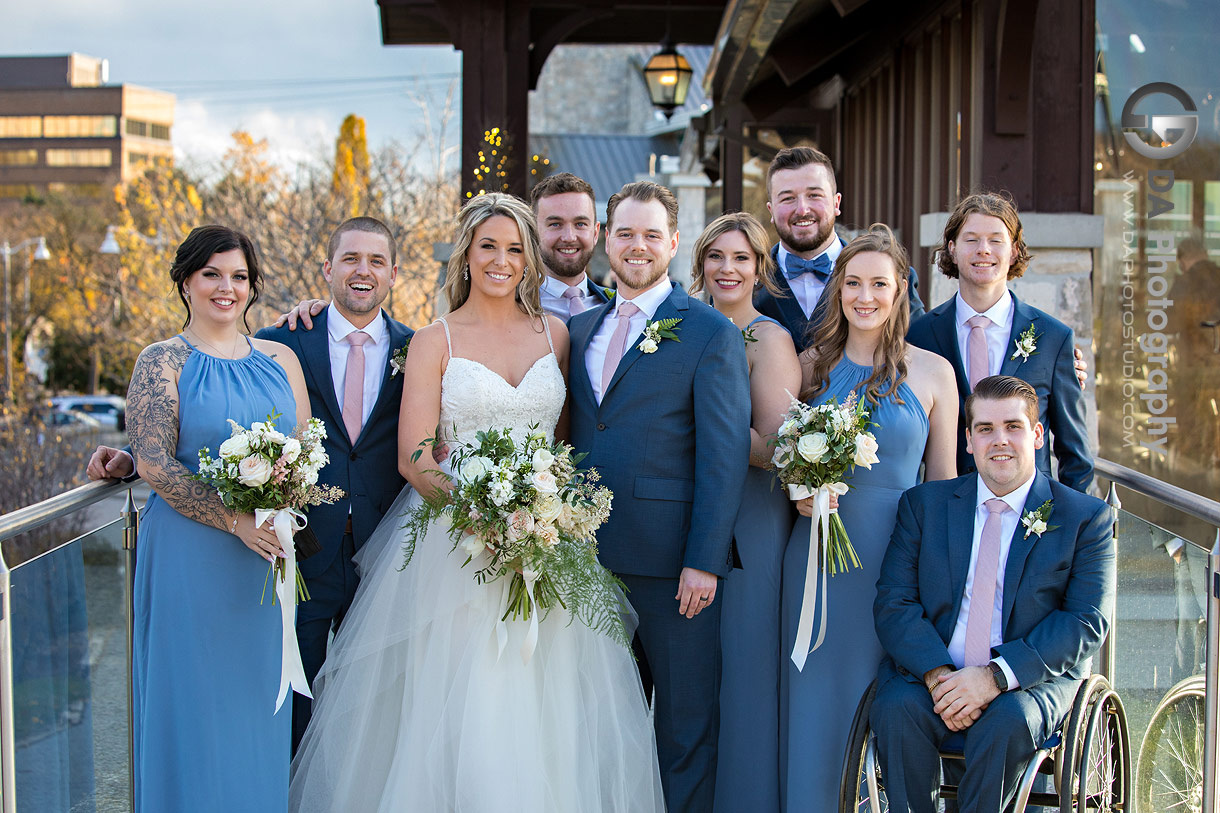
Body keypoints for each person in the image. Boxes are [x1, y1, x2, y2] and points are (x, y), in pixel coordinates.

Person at [289, 193, 664, 812]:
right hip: (456, 546)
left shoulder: (559, 335)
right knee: (461, 700)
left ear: (530, 260)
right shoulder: (435, 340)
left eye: (516, 248)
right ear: (466, 253)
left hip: (548, 544)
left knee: (550, 704)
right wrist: (482, 518)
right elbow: (414, 455)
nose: (502, 259)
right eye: (488, 245)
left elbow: (565, 445)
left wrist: (545, 515)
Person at [87, 217, 414, 750]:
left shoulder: (417, 348)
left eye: (376, 261)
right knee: (284, 704)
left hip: (382, 552)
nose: (363, 271)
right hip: (295, 552)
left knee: (374, 705)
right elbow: (221, 415)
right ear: (327, 269)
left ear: (394, 274)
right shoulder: (282, 341)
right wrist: (132, 457)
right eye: (350, 259)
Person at [567, 181, 752, 811]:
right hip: (582, 561)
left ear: (673, 244)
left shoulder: (709, 334)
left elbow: (724, 458)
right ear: (604, 241)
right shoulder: (582, 327)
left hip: (674, 569)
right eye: (624, 233)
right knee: (599, 725)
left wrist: (703, 559)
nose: (637, 246)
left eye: (651, 235)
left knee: (683, 728)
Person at [126, 225, 311, 811]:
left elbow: (304, 450)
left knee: (255, 708)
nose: (226, 288)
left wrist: (285, 505)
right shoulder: (161, 362)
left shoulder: (279, 358)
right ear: (186, 281)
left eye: (238, 276)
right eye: (211, 274)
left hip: (263, 562)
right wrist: (234, 521)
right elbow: (153, 463)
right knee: (192, 704)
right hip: (190, 557)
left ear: (253, 286)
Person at [870, 375, 1115, 813]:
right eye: (985, 429)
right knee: (894, 707)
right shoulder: (924, 506)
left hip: (1029, 682)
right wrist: (940, 678)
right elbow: (894, 602)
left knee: (1007, 720)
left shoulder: (1085, 519)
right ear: (968, 440)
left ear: (1038, 435)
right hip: (935, 676)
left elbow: (1085, 621)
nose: (999, 440)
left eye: (1013, 427)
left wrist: (993, 678)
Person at [779, 223, 958, 811]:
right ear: (837, 290)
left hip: (897, 563)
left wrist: (939, 578)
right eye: (852, 282)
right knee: (815, 701)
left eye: (879, 284)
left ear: (900, 291)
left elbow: (945, 486)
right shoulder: (808, 370)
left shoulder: (934, 374)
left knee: (886, 703)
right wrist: (796, 491)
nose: (865, 296)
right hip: (818, 558)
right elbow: (775, 458)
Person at [688, 212, 801, 813]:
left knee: (747, 671)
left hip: (750, 523)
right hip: (687, 515)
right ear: (700, 264)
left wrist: (701, 435)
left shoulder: (771, 339)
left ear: (761, 267)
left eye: (741, 259)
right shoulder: (680, 325)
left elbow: (777, 447)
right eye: (716, 257)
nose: (727, 270)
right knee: (694, 678)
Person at [907, 192, 1093, 492]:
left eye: (996, 240)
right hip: (947, 513)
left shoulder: (1054, 339)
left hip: (1030, 518)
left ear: (1014, 251)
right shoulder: (919, 336)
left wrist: (1070, 526)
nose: (984, 250)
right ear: (952, 249)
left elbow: (1075, 455)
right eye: (971, 239)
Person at [753, 146, 925, 351]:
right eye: (788, 198)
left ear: (836, 202)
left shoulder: (890, 278)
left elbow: (917, 351)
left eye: (814, 195)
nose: (802, 209)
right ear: (771, 209)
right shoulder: (747, 282)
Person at [530, 171, 614, 318]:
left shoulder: (616, 308)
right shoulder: (512, 306)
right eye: (555, 224)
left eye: (580, 224)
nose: (569, 237)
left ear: (595, 233)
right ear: (534, 231)